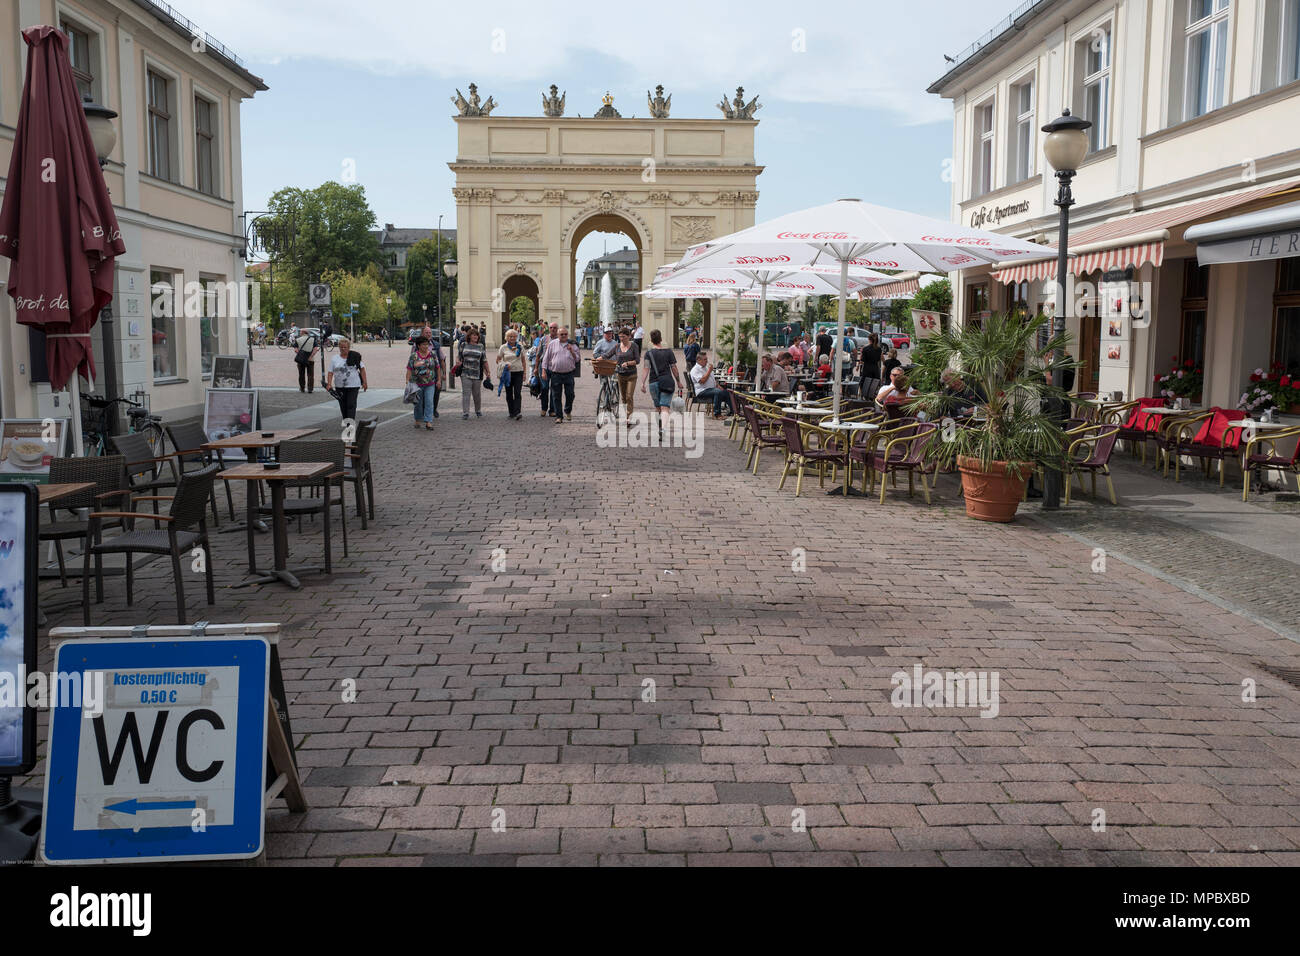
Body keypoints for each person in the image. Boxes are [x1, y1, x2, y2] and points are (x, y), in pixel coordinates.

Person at [640, 329, 684, 431]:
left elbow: (646, 368)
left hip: (653, 383)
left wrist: (642, 383)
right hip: (667, 382)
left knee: (658, 408)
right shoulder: (669, 352)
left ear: (651, 340)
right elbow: (674, 368)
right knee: (665, 407)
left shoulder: (649, 354)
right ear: (661, 339)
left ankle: (657, 428)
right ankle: (663, 429)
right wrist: (678, 381)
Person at [542, 325, 581, 422]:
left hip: (569, 374)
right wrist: (543, 370)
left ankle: (567, 410)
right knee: (556, 396)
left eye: (565, 334)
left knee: (570, 394)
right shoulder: (552, 344)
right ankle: (559, 416)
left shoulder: (573, 344)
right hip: (555, 374)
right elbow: (546, 358)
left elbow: (577, 359)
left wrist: (571, 351)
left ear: (568, 335)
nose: (563, 336)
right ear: (558, 335)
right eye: (561, 334)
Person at [327, 338, 367, 421]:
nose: (343, 349)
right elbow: (330, 372)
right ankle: (346, 420)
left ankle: (350, 423)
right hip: (340, 386)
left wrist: (365, 382)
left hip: (353, 385)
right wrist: (329, 384)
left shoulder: (354, 356)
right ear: (339, 347)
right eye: (341, 347)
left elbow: (362, 369)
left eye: (345, 347)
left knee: (351, 405)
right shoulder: (335, 358)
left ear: (349, 347)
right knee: (343, 405)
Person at [407, 337, 440, 430]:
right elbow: (409, 368)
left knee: (429, 401)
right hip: (417, 383)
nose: (426, 346)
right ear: (418, 345)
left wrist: (439, 380)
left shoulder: (432, 354)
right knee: (418, 403)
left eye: (427, 344)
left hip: (430, 383)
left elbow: (437, 367)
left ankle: (428, 422)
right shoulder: (414, 356)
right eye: (424, 344)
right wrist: (407, 381)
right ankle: (418, 419)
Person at [495, 327, 528, 420]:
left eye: (514, 336)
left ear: (517, 337)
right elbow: (498, 360)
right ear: (506, 338)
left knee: (517, 393)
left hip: (518, 372)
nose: (512, 338)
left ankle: (518, 412)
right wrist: (504, 364)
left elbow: (523, 361)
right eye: (510, 336)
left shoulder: (520, 347)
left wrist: (525, 373)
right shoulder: (503, 347)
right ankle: (511, 412)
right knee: (509, 393)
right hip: (507, 374)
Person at [690, 350, 734, 418]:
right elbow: (702, 381)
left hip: (711, 389)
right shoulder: (695, 370)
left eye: (706, 359)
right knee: (717, 392)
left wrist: (718, 386)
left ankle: (733, 411)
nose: (706, 361)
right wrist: (709, 371)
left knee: (727, 392)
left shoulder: (706, 367)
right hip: (702, 391)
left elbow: (713, 379)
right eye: (705, 359)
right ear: (699, 360)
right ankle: (717, 414)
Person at [458, 327, 488, 419]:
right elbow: (459, 356)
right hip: (465, 372)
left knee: (476, 394)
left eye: (477, 335)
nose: (475, 336)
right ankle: (465, 413)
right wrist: (457, 362)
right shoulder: (463, 344)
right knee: (466, 394)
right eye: (473, 335)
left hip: (477, 373)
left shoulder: (481, 346)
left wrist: (488, 372)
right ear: (469, 336)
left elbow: (484, 360)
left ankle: (478, 410)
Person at [614, 327, 640, 414]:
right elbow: (607, 354)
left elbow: (637, 360)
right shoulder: (617, 346)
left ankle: (629, 416)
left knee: (629, 396)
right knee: (623, 397)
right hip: (620, 375)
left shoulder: (634, 346)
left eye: (623, 337)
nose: (621, 339)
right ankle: (624, 414)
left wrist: (628, 363)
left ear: (629, 336)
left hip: (631, 375)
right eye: (620, 337)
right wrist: (599, 358)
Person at [293, 326, 320, 393]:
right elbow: (316, 349)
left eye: (300, 332)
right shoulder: (313, 339)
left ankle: (302, 388)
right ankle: (310, 389)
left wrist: (300, 354)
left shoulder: (298, 339)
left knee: (301, 374)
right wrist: (311, 356)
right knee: (310, 375)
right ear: (307, 333)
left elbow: (295, 349)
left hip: (301, 359)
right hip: (310, 360)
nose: (300, 333)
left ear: (302, 333)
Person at [859, 334, 883, 404]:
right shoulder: (879, 349)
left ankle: (865, 399)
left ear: (869, 340)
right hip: (875, 369)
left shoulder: (865, 349)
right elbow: (878, 360)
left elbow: (863, 360)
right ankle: (872, 399)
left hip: (867, 369)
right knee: (874, 385)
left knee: (864, 384)